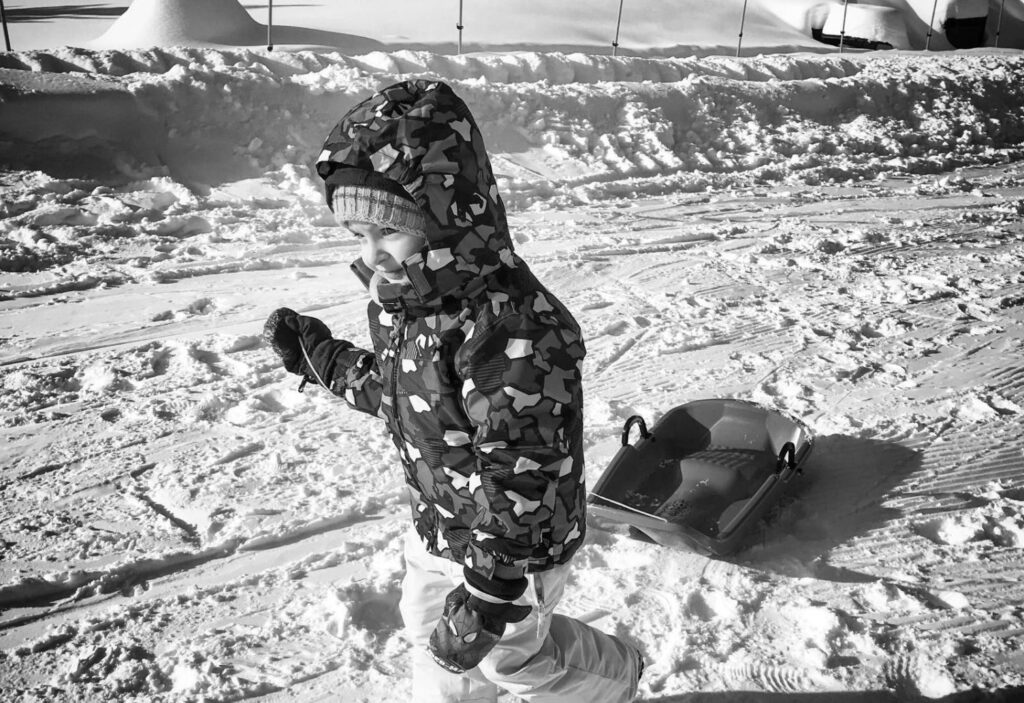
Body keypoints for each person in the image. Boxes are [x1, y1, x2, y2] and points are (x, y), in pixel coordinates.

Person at [264, 79, 644, 702]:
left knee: (509, 663)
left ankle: (616, 673)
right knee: (433, 641)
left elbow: (529, 466)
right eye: (358, 237)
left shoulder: (510, 326)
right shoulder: (406, 305)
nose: (373, 255)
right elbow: (399, 394)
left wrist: (492, 588)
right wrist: (322, 360)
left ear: (443, 220)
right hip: (438, 524)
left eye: (387, 232)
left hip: (511, 547)